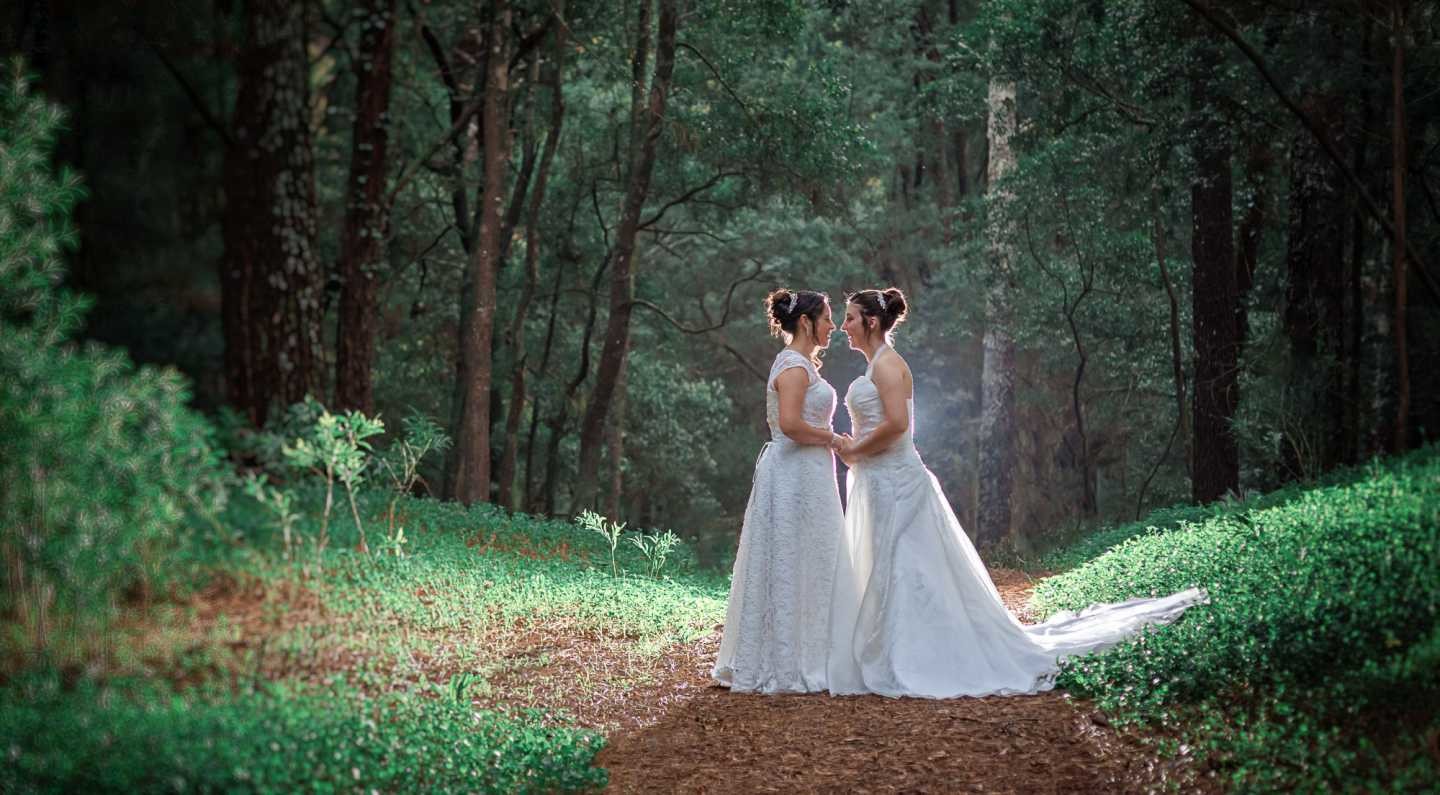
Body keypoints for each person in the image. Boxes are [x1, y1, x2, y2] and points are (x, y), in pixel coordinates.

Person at [828, 287, 1206, 698]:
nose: (843, 327)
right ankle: (894, 646)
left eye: (849, 317)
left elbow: (899, 426)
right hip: (880, 479)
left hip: (896, 482)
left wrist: (855, 448)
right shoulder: (875, 368)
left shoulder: (887, 366)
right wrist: (856, 454)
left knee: (905, 564)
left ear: (870, 321)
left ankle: (915, 653)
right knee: (892, 562)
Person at [713, 288, 853, 693]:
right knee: (793, 556)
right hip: (793, 473)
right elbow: (790, 425)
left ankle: (816, 651)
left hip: (808, 471)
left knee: (815, 556)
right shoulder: (792, 366)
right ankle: (791, 659)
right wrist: (831, 438)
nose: (832, 326)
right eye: (827, 318)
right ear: (807, 322)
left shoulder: (803, 365)